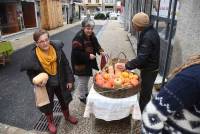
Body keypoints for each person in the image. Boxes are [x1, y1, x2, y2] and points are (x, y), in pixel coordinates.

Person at [21, 29, 78, 134]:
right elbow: (31, 74)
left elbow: (65, 64)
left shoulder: (57, 49)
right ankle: (50, 122)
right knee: (48, 105)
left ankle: (67, 116)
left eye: (46, 39)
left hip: (61, 81)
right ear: (36, 43)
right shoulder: (33, 56)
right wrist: (36, 82)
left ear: (49, 39)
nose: (45, 43)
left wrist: (70, 80)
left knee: (64, 99)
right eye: (41, 41)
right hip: (46, 86)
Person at [142, 55, 200, 134]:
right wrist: (129, 65)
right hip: (148, 68)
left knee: (145, 92)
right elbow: (152, 113)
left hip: (151, 68)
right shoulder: (192, 78)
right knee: (145, 92)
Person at [116, 12, 160, 112]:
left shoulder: (148, 37)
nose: (132, 25)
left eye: (133, 23)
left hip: (150, 70)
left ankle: (142, 114)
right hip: (149, 67)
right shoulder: (149, 31)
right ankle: (142, 109)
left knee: (145, 93)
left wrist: (126, 65)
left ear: (138, 25)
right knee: (144, 90)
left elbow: (142, 58)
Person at [71, 18, 104, 104]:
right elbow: (76, 53)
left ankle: (86, 93)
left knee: (86, 79)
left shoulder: (91, 35)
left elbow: (96, 44)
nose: (90, 30)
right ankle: (82, 97)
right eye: (88, 28)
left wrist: (100, 51)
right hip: (80, 64)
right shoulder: (78, 38)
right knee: (82, 81)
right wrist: (88, 56)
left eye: (91, 28)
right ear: (83, 28)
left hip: (87, 62)